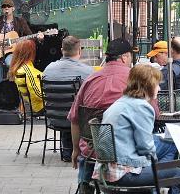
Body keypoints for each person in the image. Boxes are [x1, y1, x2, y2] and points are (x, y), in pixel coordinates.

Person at [68, 39, 169, 193]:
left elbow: (75, 119)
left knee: (89, 147)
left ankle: (85, 182)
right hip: (124, 153)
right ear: (124, 57)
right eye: (130, 57)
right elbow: (155, 115)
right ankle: (155, 184)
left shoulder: (89, 80)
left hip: (93, 149)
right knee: (168, 145)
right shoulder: (137, 80)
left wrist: (76, 150)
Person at [93, 64, 180, 187]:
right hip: (124, 173)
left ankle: (157, 184)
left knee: (168, 147)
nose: (159, 89)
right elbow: (145, 146)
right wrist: (155, 165)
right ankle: (158, 182)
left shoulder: (121, 101)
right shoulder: (142, 107)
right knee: (179, 173)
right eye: (157, 84)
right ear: (148, 86)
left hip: (107, 169)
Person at [43, 35, 94, 162]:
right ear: (80, 51)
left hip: (54, 117)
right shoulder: (88, 71)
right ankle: (85, 149)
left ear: (61, 50)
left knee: (68, 107)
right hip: (76, 120)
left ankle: (67, 150)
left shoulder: (48, 69)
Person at [0, 0, 42, 83]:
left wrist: (38, 38)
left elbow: (30, 36)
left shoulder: (20, 22)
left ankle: (12, 89)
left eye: (8, 6)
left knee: (10, 63)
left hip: (13, 53)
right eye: (4, 7)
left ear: (13, 8)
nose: (6, 9)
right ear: (2, 9)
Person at [8, 40, 44, 114]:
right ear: (30, 53)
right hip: (41, 106)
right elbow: (38, 94)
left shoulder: (20, 68)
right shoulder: (27, 71)